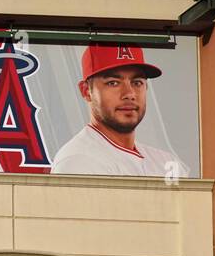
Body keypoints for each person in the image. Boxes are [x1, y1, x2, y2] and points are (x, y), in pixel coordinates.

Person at [50, 45, 183, 177]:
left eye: (137, 82)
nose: (129, 94)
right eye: (113, 83)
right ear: (86, 91)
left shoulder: (165, 162)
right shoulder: (77, 161)